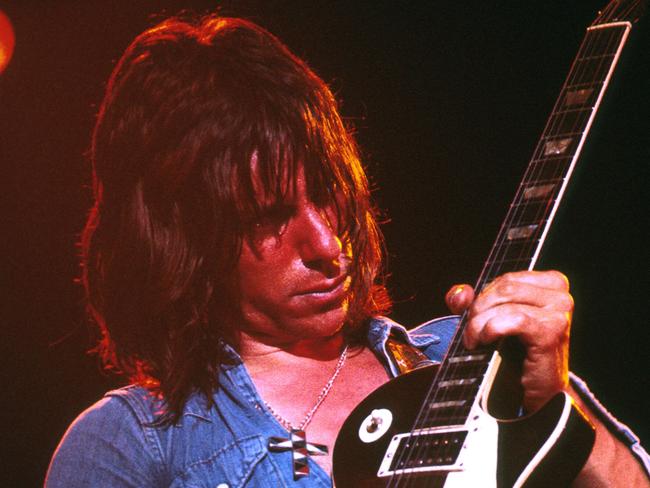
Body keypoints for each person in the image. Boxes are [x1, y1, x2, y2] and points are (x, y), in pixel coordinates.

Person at [45, 14, 648, 487]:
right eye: (271, 217)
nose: (328, 245)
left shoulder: (466, 357)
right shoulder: (129, 443)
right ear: (181, 240)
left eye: (329, 192)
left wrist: (555, 405)